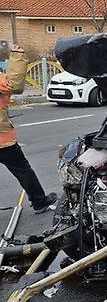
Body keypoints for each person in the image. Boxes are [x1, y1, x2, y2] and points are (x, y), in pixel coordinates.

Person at [0, 45, 57, 214]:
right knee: (23, 170)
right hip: (2, 141)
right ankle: (39, 202)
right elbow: (14, 84)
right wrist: (17, 55)